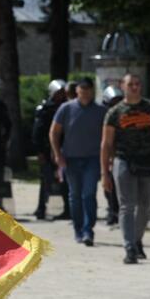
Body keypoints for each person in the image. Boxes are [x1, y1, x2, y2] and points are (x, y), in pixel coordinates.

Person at [101, 73, 150, 264]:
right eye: (130, 84)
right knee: (127, 205)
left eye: (137, 84)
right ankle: (129, 247)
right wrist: (105, 172)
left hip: (149, 161)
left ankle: (136, 240)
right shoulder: (115, 112)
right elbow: (106, 143)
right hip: (124, 161)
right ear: (122, 86)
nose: (134, 87)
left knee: (145, 205)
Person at [49, 77, 107, 246]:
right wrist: (57, 154)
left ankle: (88, 230)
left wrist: (107, 158)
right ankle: (78, 229)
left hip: (93, 159)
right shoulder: (66, 109)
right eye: (82, 90)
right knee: (74, 196)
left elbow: (108, 137)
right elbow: (54, 132)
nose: (85, 93)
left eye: (88, 90)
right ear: (77, 91)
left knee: (88, 194)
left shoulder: (101, 111)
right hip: (71, 159)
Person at [32, 79, 69, 220]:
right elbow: (38, 132)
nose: (61, 95)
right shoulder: (45, 109)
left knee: (65, 181)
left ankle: (68, 209)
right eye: (58, 93)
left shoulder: (67, 107)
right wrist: (40, 152)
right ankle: (41, 208)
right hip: (47, 151)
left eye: (62, 93)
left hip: (65, 150)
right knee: (46, 180)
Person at [100, 86, 124, 225]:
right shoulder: (104, 116)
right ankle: (112, 210)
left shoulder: (126, 113)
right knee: (109, 185)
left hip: (123, 153)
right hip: (110, 153)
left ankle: (121, 212)